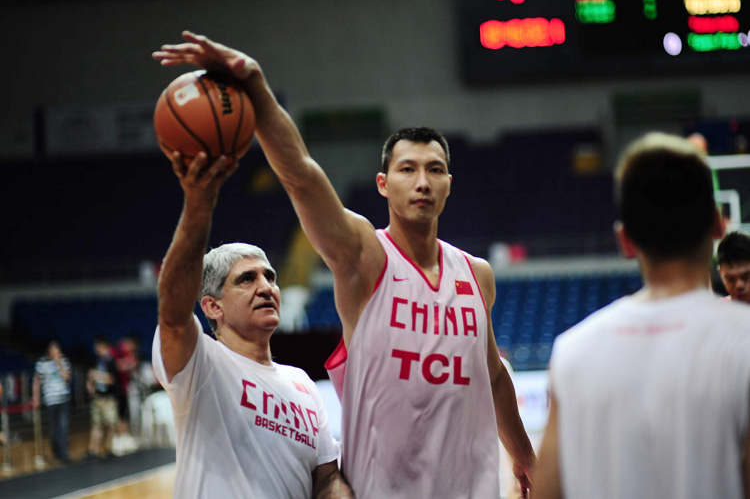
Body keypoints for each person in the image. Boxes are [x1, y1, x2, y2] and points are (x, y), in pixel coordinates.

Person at [154, 32, 535, 499]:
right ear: (382, 183)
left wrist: (522, 454)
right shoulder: (364, 258)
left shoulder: (478, 276)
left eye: (435, 169)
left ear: (449, 184)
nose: (422, 182)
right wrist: (254, 83)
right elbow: (299, 174)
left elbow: (493, 376)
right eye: (407, 169)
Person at [147, 95, 352, 496]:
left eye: (270, 277)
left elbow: (326, 477)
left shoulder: (302, 384)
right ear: (212, 306)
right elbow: (171, 313)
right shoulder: (201, 364)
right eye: (246, 279)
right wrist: (198, 208)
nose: (266, 286)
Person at [533, 133, 750, 499]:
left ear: (625, 241)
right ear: (718, 224)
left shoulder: (571, 352)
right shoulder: (743, 340)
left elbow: (548, 491)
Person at [32, 340, 72, 464]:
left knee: (63, 426)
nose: (57, 351)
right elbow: (37, 381)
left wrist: (58, 362)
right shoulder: (42, 362)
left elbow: (67, 378)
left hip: (63, 398)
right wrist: (36, 397)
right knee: (54, 428)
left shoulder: (64, 360)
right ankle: (56, 452)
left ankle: (64, 454)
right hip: (50, 400)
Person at [85, 336, 119, 460]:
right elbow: (91, 375)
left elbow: (112, 380)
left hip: (108, 399)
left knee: (111, 424)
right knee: (96, 424)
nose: (95, 349)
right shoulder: (97, 360)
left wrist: (97, 375)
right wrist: (90, 384)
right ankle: (93, 450)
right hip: (98, 397)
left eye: (98, 346)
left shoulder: (111, 361)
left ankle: (109, 448)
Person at [716, 230, 750, 304]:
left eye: (746, 277)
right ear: (720, 273)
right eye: (730, 279)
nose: (739, 285)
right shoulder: (717, 311)